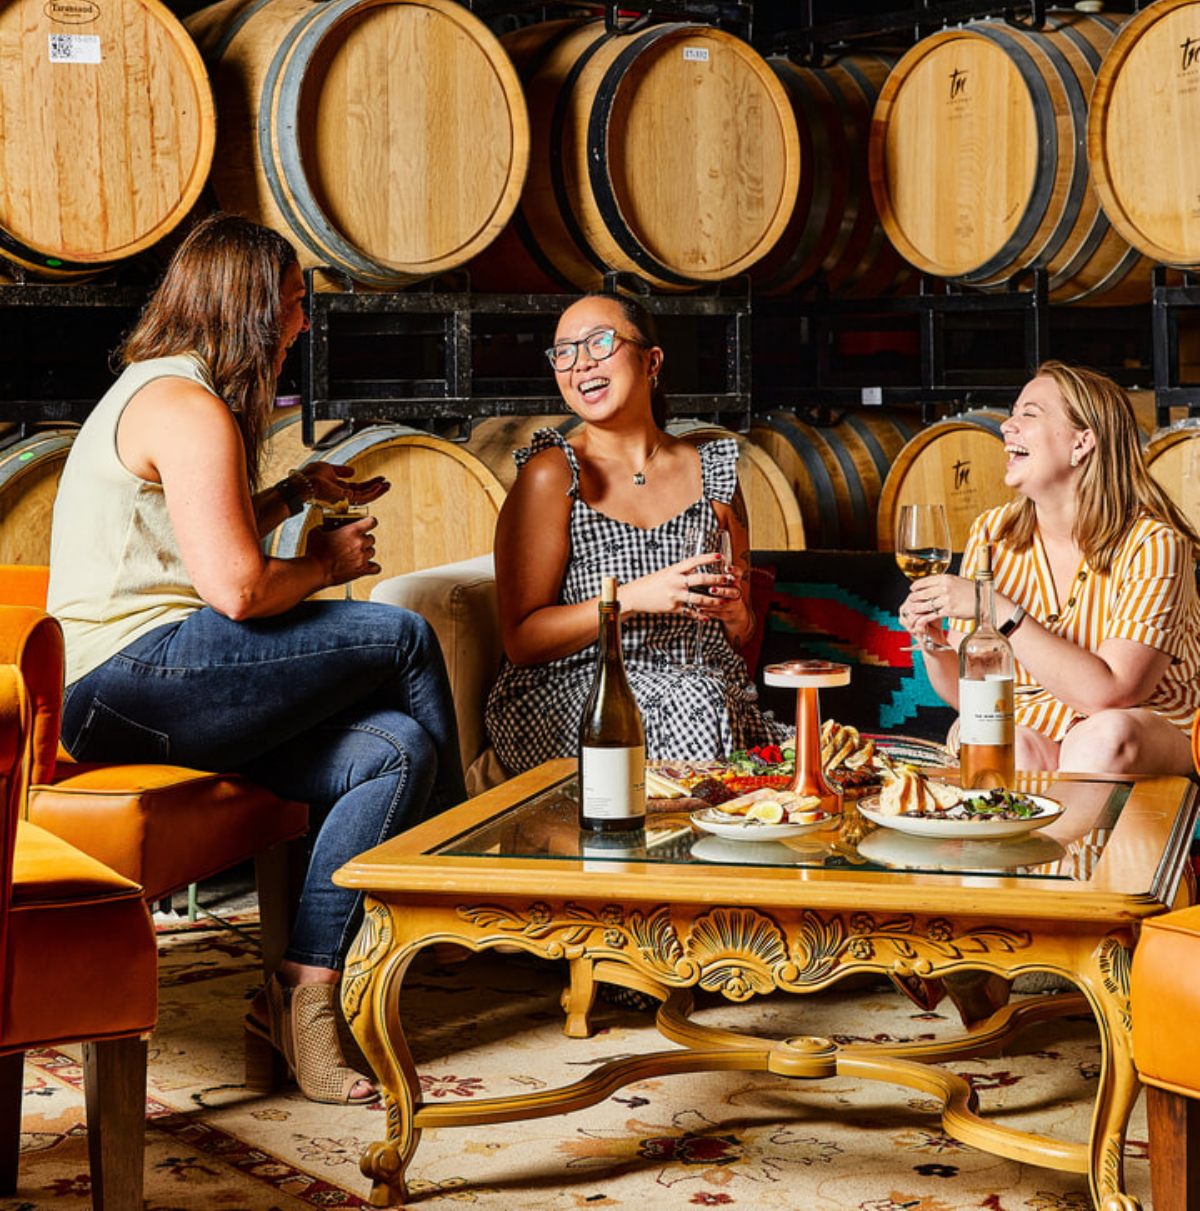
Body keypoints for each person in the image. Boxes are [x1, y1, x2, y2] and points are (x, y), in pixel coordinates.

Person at [46, 213, 466, 1105]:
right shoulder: (188, 406)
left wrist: (288, 494)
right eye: (292, 301)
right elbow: (234, 590)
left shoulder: (160, 389)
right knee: (403, 634)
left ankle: (302, 997)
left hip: (149, 681)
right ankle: (456, 888)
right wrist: (327, 562)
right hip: (124, 678)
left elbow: (187, 541)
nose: (301, 322)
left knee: (394, 750)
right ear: (247, 304)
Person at [484, 292, 791, 774]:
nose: (581, 363)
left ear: (652, 361)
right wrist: (630, 598)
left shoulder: (714, 474)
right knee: (699, 703)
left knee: (831, 763)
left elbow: (741, 632)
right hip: (583, 693)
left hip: (707, 689)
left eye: (600, 343)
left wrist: (733, 613)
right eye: (564, 352)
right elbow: (522, 641)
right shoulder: (553, 474)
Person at [901, 360, 1200, 774]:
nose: (1007, 426)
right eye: (1013, 412)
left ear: (1082, 443)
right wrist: (931, 641)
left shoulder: (1154, 544)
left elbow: (1112, 692)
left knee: (1101, 739)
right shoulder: (993, 534)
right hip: (1035, 721)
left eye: (1029, 413)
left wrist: (995, 607)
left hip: (1145, 723)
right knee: (992, 735)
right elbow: (972, 693)